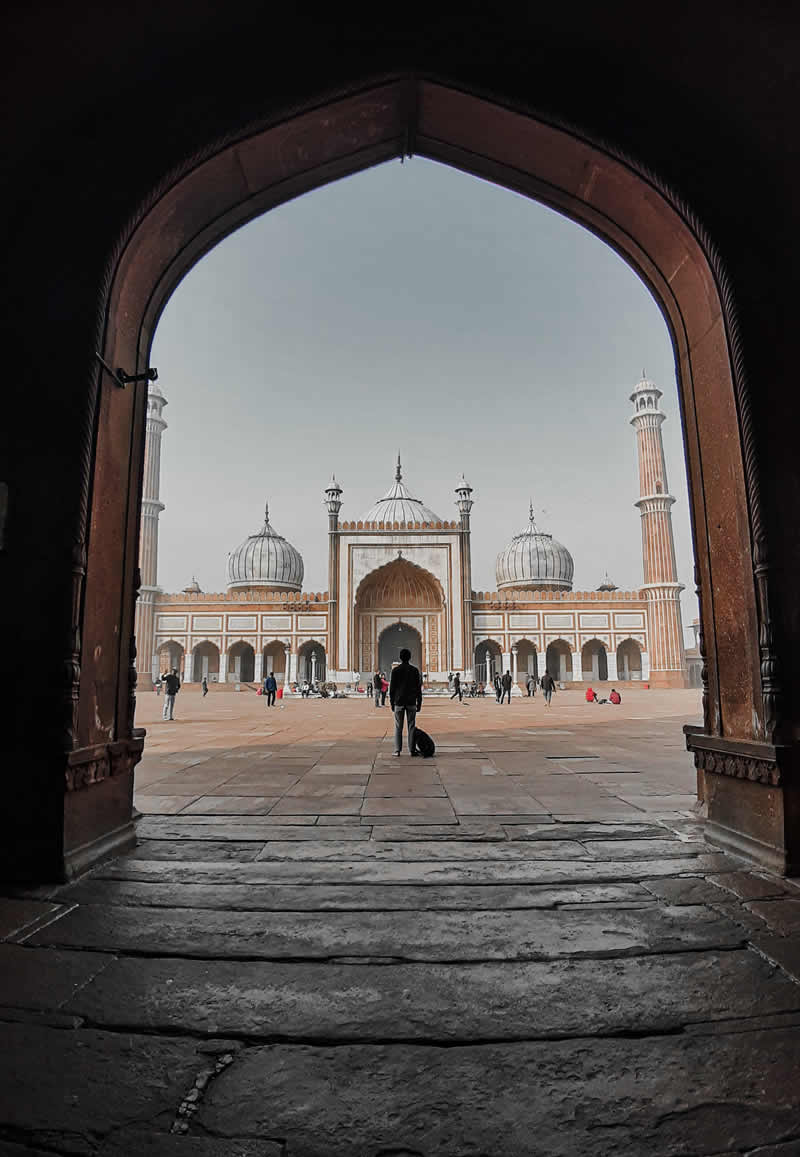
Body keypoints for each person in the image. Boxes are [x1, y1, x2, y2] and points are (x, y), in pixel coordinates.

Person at [389, 646, 423, 757]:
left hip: (399, 702)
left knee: (398, 727)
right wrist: (419, 702)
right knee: (411, 726)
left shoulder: (396, 670)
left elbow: (392, 688)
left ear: (400, 658)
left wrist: (391, 702)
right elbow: (418, 688)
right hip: (411, 702)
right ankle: (412, 750)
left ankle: (397, 750)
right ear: (409, 658)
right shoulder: (414, 670)